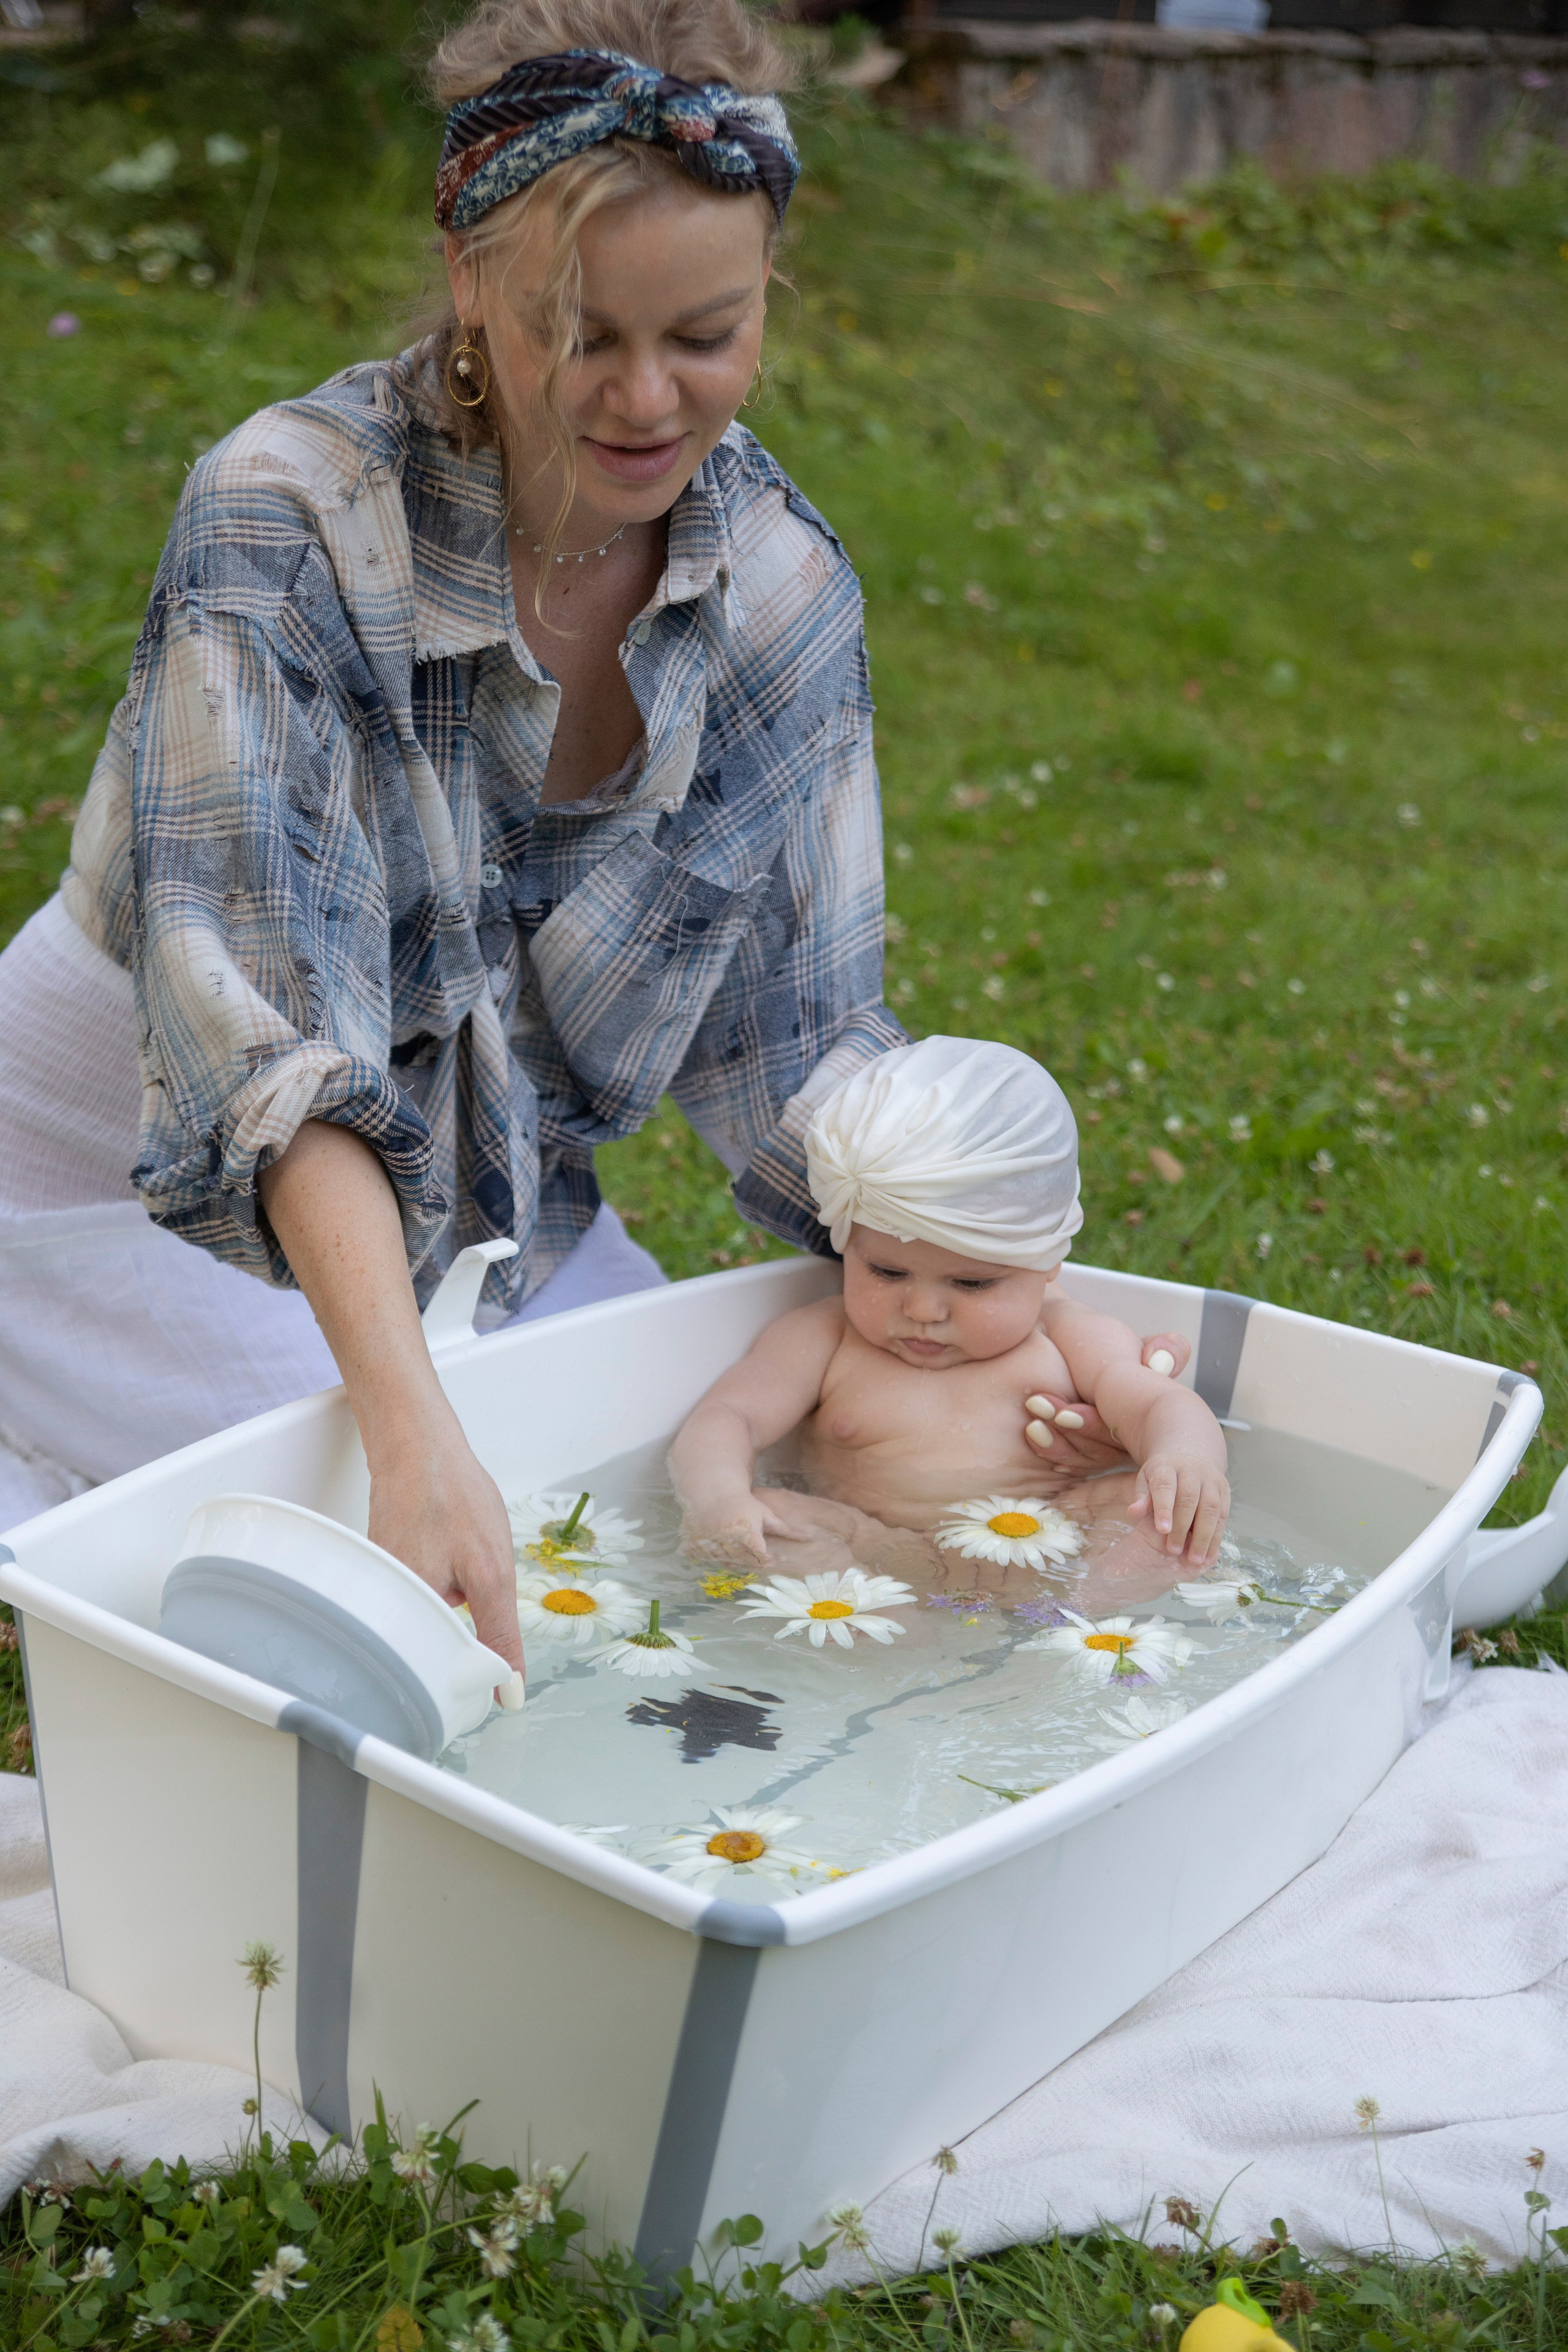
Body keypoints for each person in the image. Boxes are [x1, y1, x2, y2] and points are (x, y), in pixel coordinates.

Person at [0, 0, 910, 1686]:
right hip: (123, 1183)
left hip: (491, 1215)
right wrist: (415, 1431)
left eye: (704, 334)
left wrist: (979, 1271)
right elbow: (266, 1054)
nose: (646, 400)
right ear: (469, 274)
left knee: (725, 1479)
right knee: (395, 1575)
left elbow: (800, 1044)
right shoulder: (286, 517)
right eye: (582, 333)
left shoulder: (781, 592)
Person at [668, 1036, 1230, 1605]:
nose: (923, 1310)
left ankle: (1077, 1610)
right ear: (848, 1244)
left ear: (1046, 1263)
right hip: (867, 1549)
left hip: (1047, 1534)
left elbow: (1160, 1404)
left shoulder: (1067, 1336)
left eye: (971, 1284)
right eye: (887, 1272)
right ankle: (892, 1647)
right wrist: (717, 1498)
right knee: (774, 1516)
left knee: (1151, 1510)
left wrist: (1183, 1460)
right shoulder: (826, 1337)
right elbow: (729, 1416)